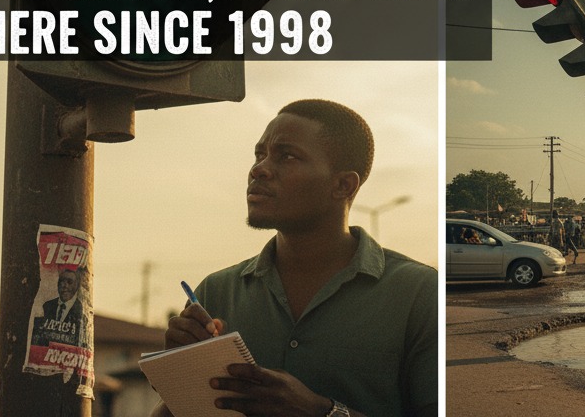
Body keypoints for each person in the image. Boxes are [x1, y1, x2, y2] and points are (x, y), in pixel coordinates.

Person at [154, 100, 436, 417]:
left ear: (343, 185)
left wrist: (321, 412)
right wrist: (177, 375)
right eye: (259, 154)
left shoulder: (419, 293)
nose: (258, 169)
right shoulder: (217, 292)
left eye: (287, 156)